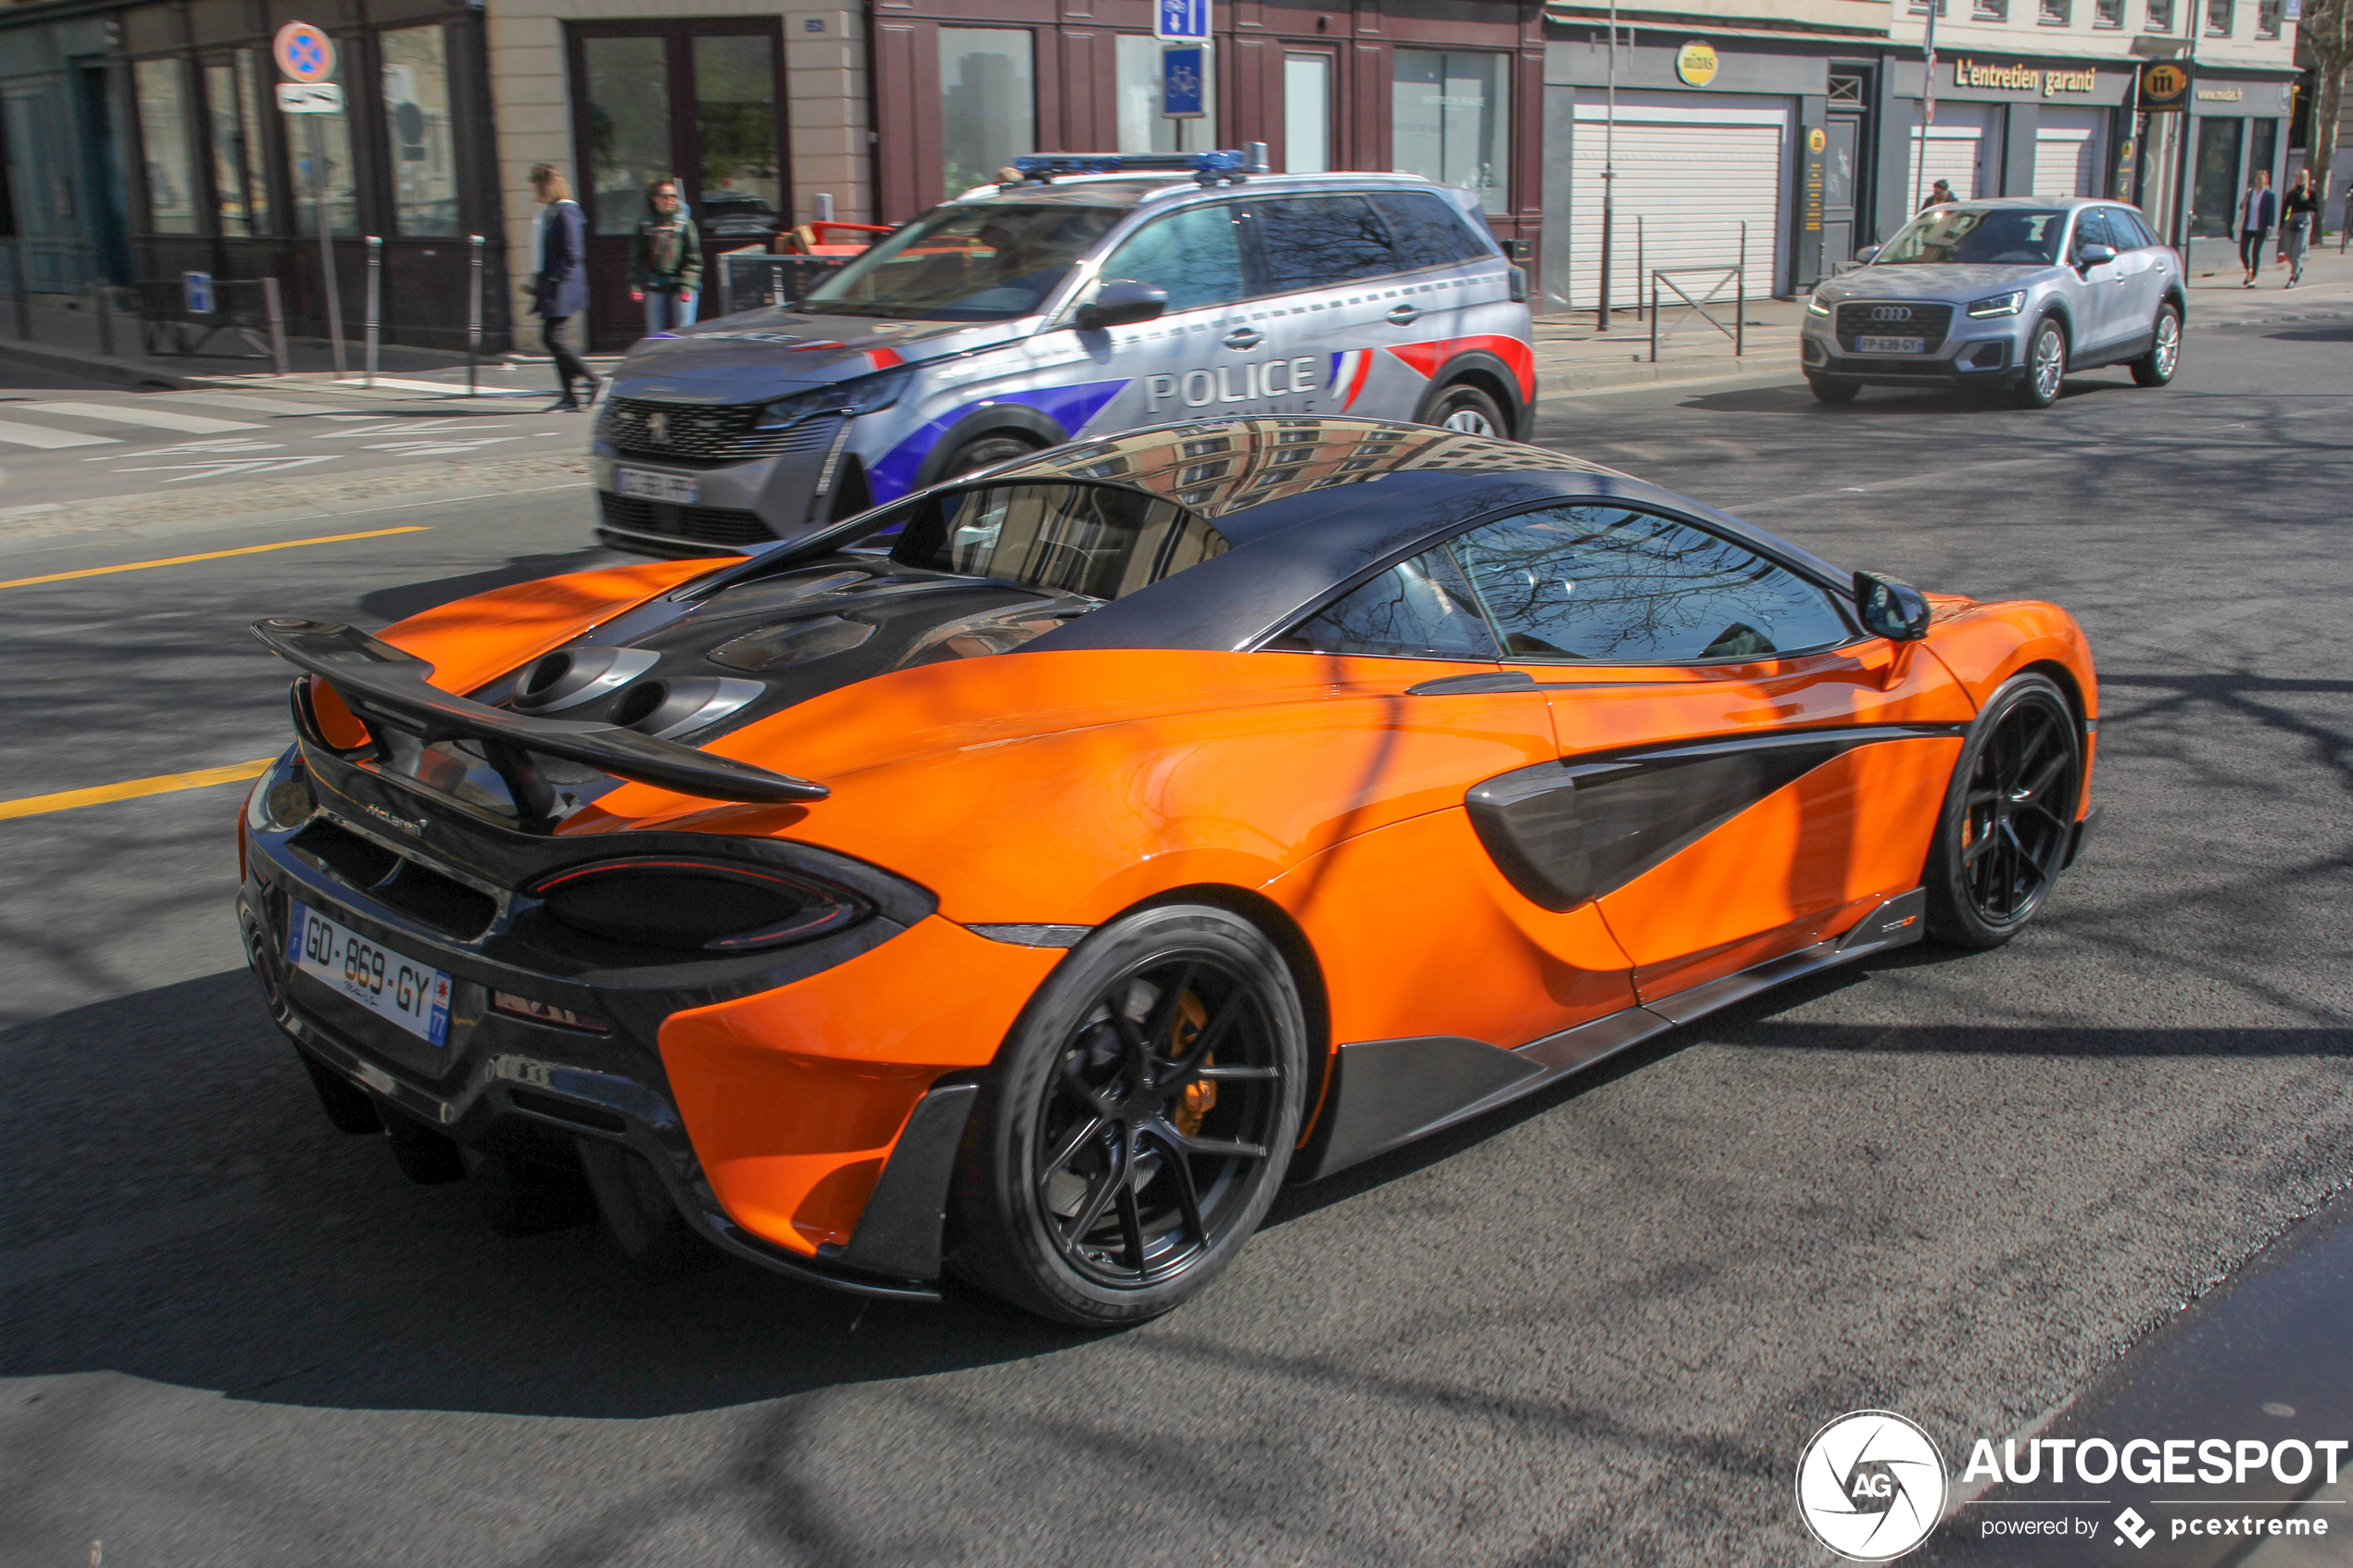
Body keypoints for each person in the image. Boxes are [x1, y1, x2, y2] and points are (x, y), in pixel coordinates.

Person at [528, 163, 598, 411]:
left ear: (546, 185)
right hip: (555, 285)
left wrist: (553, 279)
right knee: (551, 338)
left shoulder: (567, 211)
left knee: (552, 338)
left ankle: (591, 379)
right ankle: (570, 395)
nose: (534, 189)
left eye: (536, 184)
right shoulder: (552, 211)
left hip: (564, 287)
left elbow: (573, 254)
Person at [628, 177, 702, 335]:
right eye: (665, 196)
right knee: (655, 335)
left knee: (684, 333)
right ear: (655, 198)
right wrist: (635, 285)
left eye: (674, 196)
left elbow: (694, 259)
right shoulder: (646, 224)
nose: (670, 200)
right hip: (655, 284)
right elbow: (636, 257)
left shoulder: (685, 224)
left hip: (682, 284)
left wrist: (688, 286)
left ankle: (682, 360)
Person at [2279, 168, 2319, 287]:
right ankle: (2298, 267)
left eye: (2301, 177)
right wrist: (2282, 225)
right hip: (2292, 219)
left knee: (2297, 250)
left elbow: (2315, 208)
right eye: (2297, 176)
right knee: (2288, 251)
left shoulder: (2311, 193)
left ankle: (2294, 276)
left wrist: (2306, 200)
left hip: (2304, 220)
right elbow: (2286, 209)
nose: (2298, 179)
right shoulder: (2291, 193)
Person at [2237, 169, 2276, 288]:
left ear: (2266, 181)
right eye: (2257, 179)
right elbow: (2241, 206)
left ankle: (2254, 276)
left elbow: (2271, 211)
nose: (2259, 181)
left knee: (2256, 252)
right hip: (2248, 226)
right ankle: (2249, 269)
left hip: (2261, 227)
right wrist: (2244, 203)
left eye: (2261, 179)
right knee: (2243, 251)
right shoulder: (2250, 192)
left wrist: (2270, 226)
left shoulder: (2269, 195)